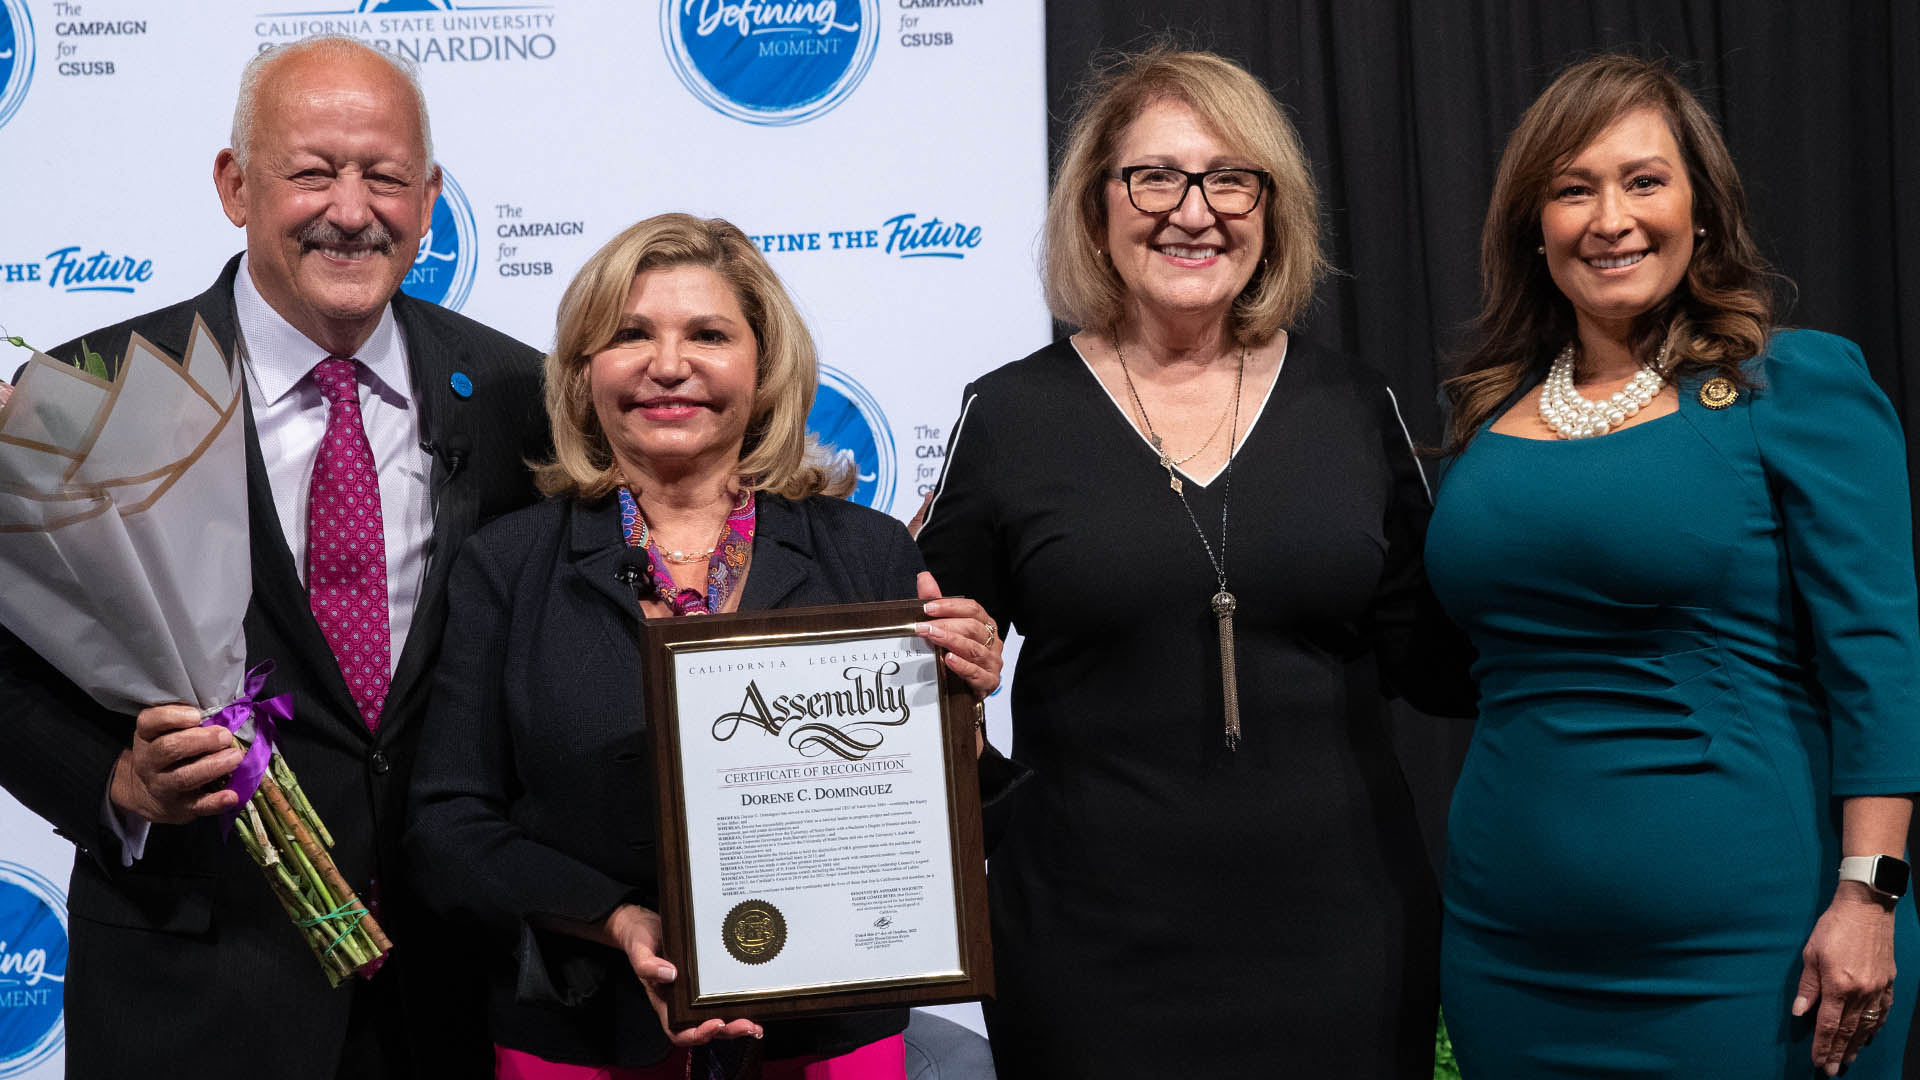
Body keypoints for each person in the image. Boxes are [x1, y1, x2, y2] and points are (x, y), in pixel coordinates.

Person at [913, 48, 1475, 1078]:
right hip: (1089, 946)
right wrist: (997, 786)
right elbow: (918, 676)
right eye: (1155, 176)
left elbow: (1439, 667)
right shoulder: (1008, 417)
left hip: (1346, 936)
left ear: (1272, 208)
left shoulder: (1357, 406)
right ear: (1097, 207)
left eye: (1230, 178)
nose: (1194, 209)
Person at [0, 35, 547, 1080]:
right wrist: (115, 783)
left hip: (457, 999)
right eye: (311, 172)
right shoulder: (86, 396)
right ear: (234, 184)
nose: (352, 208)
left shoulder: (522, 393)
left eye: (385, 176)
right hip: (195, 991)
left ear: (429, 199)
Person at [404, 213, 1013, 1080]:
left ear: (764, 370)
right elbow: (447, 827)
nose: (668, 364)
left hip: (827, 1039)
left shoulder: (870, 553)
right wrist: (616, 920)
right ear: (582, 374)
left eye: (709, 334)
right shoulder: (506, 565)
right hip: (585, 1030)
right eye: (629, 335)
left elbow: (937, 819)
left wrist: (962, 723)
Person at [1427, 53, 1920, 1078]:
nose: (1611, 218)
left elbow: (1877, 652)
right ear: (1535, 224)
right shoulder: (1485, 414)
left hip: (1754, 950)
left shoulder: (1792, 384)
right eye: (1573, 189)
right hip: (1511, 951)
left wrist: (1868, 895)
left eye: (1644, 180)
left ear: (1701, 209)